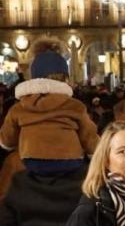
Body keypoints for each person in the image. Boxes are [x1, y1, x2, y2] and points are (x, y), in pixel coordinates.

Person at [1, 40, 99, 175]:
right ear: (64, 77)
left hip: (31, 160)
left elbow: (6, 141)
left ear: (33, 77)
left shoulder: (20, 107)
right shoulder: (75, 106)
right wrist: (94, 153)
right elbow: (90, 137)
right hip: (70, 160)